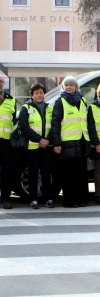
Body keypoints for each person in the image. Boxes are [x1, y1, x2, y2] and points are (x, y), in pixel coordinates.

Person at [51, 76, 90, 208]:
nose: (68, 87)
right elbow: (55, 123)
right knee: (69, 175)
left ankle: (82, 199)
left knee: (81, 174)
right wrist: (57, 143)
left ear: (76, 87)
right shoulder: (60, 101)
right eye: (66, 85)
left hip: (82, 142)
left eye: (71, 85)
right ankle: (70, 201)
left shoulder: (83, 101)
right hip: (67, 143)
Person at [19, 83, 54, 209]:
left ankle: (48, 199)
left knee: (46, 174)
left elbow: (54, 127)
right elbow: (24, 127)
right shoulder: (25, 108)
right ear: (32, 95)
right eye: (37, 93)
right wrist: (39, 139)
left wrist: (48, 140)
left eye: (41, 93)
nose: (39, 95)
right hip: (32, 147)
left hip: (46, 148)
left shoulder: (50, 108)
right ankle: (33, 199)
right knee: (33, 174)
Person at [0, 75, 16, 209]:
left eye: (1, 81)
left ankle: (5, 198)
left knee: (6, 170)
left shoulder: (11, 100)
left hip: (5, 141)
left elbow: (14, 120)